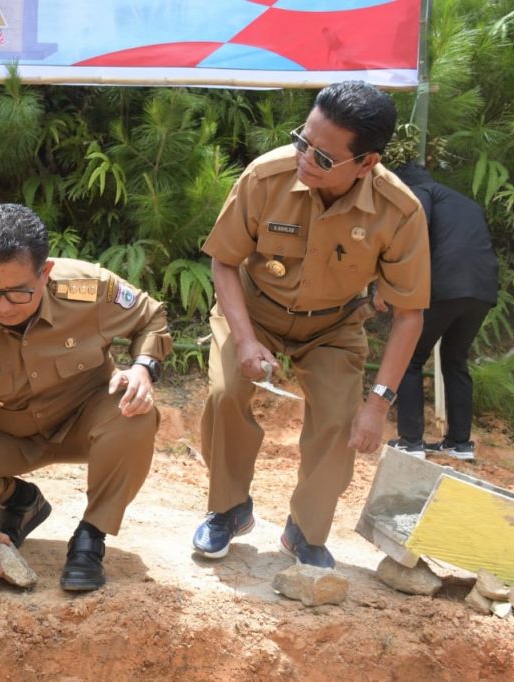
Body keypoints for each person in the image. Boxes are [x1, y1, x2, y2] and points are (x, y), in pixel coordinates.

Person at [191, 81, 430, 568]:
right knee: (225, 393)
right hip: (253, 311)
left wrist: (378, 404)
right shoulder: (266, 176)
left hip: (333, 326)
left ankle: (305, 530)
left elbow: (409, 314)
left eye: (323, 156)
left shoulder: (399, 210)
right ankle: (229, 508)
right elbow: (224, 263)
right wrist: (245, 339)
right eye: (303, 140)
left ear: (367, 162)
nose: (304, 158)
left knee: (342, 421)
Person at [0, 203, 171, 591]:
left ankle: (91, 536)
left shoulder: (87, 289)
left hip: (85, 418)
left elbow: (151, 317)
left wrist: (143, 368)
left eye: (18, 293)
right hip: (2, 431)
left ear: (45, 273)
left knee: (135, 414)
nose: (2, 306)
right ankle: (21, 500)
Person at [383, 163, 498, 461]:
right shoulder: (465, 203)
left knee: (409, 358)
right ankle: (459, 444)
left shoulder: (421, 193)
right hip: (482, 290)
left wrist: (390, 283)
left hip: (446, 285)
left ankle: (411, 441)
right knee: (455, 361)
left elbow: (413, 231)